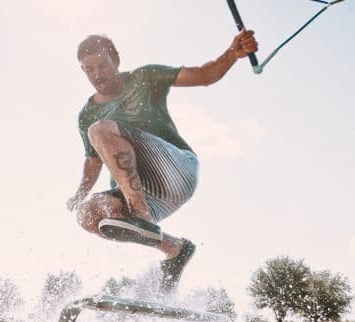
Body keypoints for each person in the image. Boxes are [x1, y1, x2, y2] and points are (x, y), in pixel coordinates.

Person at [66, 30, 258, 293]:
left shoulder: (145, 77)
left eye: (102, 66)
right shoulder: (86, 113)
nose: (97, 75)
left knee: (100, 130)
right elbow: (93, 161)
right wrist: (80, 194)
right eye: (89, 69)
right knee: (88, 214)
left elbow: (205, 75)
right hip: (149, 195)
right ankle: (174, 248)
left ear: (116, 60)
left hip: (176, 170)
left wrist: (232, 54)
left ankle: (141, 216)